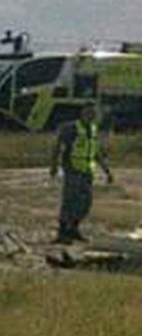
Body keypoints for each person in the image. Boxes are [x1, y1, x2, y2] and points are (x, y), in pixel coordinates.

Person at [50, 102, 113, 244]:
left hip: (87, 171)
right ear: (82, 113)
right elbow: (58, 146)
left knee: (85, 203)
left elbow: (95, 152)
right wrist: (54, 165)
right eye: (88, 112)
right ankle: (63, 232)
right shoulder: (71, 128)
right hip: (73, 169)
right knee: (69, 202)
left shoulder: (93, 129)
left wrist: (106, 170)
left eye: (93, 113)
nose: (91, 115)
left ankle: (74, 228)